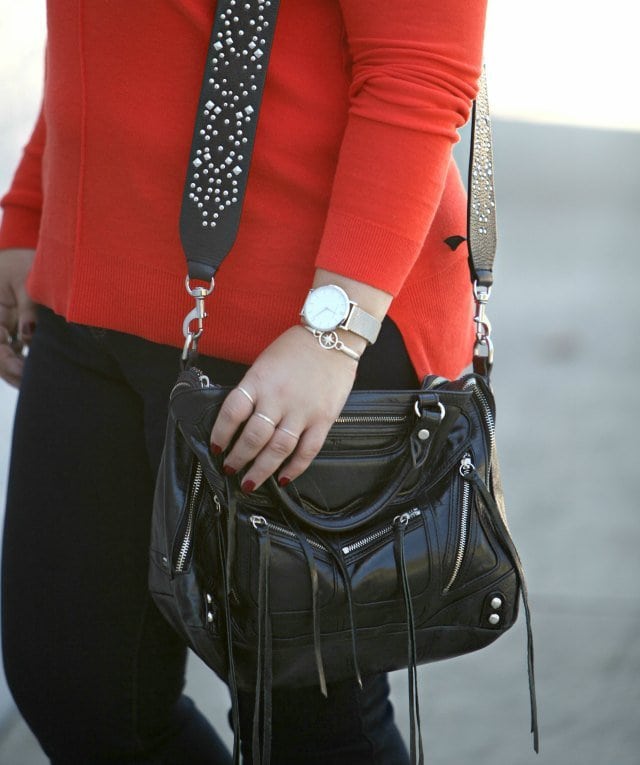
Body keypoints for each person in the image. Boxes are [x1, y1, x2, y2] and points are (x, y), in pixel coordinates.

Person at [0, 1, 488, 762]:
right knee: (79, 692)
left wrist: (333, 330)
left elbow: (419, 72)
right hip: (88, 297)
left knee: (307, 727)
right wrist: (31, 208)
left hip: (292, 334)